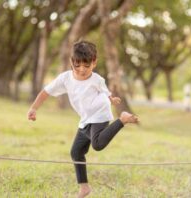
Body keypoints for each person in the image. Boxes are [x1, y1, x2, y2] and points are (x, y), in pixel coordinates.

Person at [27, 41, 138, 198]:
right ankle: (84, 188)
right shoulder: (65, 78)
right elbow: (46, 92)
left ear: (94, 63)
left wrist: (111, 99)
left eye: (87, 66)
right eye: (77, 66)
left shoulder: (97, 79)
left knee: (98, 144)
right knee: (76, 152)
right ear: (72, 62)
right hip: (86, 118)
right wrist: (33, 108)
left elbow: (106, 92)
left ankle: (122, 120)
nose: (82, 70)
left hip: (100, 113)